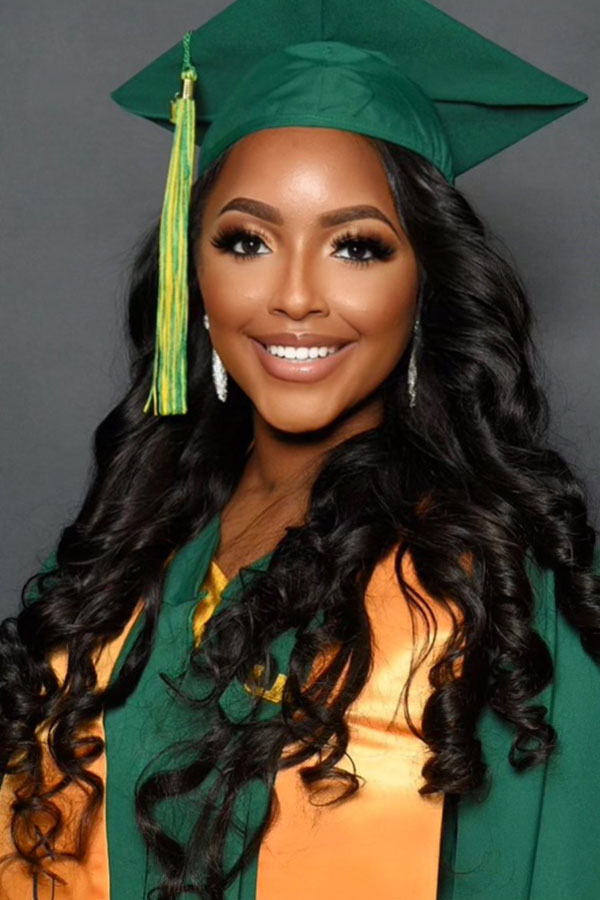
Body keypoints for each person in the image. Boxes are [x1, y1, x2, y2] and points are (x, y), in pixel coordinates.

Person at [0, 1, 598, 898]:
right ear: (193, 273)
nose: (294, 297)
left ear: (427, 282)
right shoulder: (124, 550)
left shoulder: (506, 593)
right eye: (247, 241)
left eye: (357, 248)